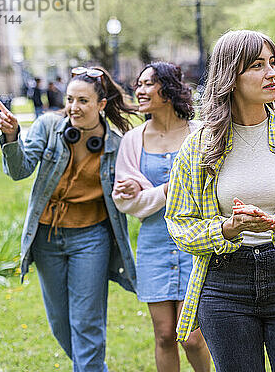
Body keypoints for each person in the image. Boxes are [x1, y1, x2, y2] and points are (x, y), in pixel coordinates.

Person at [164, 30, 275, 372]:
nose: (271, 73)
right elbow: (179, 222)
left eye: (273, 63)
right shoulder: (198, 147)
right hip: (224, 286)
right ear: (231, 76)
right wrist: (226, 229)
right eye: (257, 65)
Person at [0, 66, 137, 371]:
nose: (73, 107)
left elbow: (132, 193)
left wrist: (131, 188)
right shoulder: (49, 126)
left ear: (101, 105)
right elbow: (19, 170)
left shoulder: (116, 144)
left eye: (83, 101)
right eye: (70, 99)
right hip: (47, 238)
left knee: (86, 323)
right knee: (61, 323)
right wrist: (10, 136)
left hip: (91, 239)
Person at [112, 62, 211, 372]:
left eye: (147, 84)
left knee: (192, 337)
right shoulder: (133, 140)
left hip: (195, 245)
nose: (138, 91)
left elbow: (208, 190)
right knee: (165, 335)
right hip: (154, 246)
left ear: (167, 90)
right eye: (137, 84)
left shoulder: (200, 133)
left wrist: (148, 190)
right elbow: (127, 204)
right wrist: (171, 189)